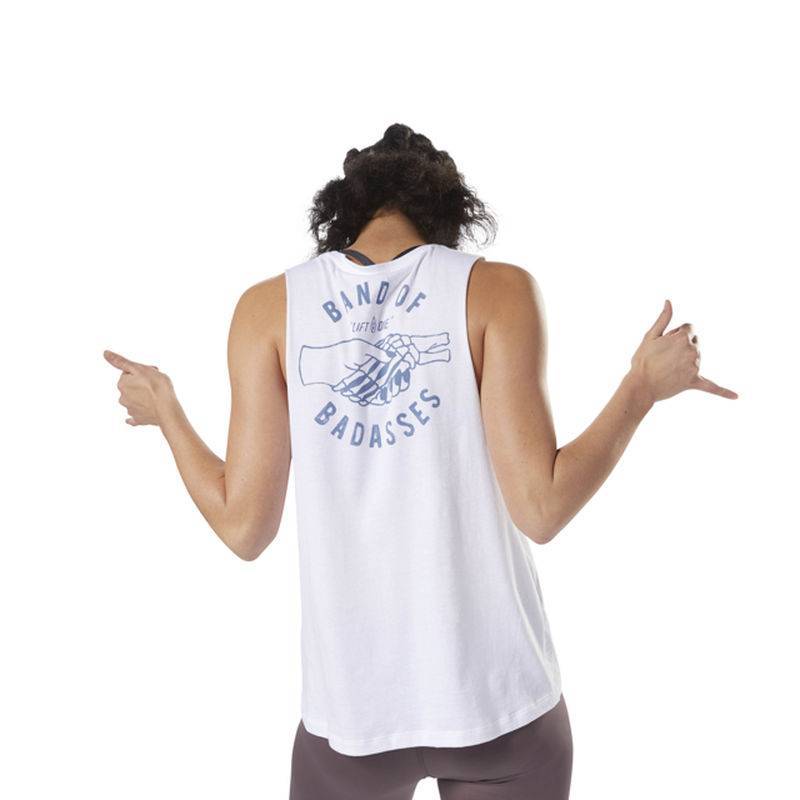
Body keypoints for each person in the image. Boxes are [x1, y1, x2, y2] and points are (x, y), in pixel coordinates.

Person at [104, 123, 737, 799]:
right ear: (448, 214)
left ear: (344, 213)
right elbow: (542, 509)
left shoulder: (266, 310)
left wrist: (168, 412)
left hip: (352, 716)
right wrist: (639, 390)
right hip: (499, 707)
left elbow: (244, 529)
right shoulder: (497, 291)